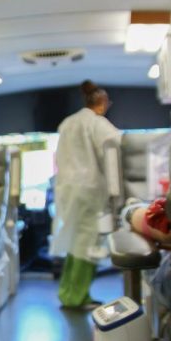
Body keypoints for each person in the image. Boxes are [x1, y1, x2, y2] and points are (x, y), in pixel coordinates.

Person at [50, 80, 120, 309]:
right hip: (90, 190)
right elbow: (115, 151)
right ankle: (77, 297)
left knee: (74, 242)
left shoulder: (68, 123)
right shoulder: (98, 124)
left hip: (67, 190)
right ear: (102, 103)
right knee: (87, 244)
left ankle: (67, 292)